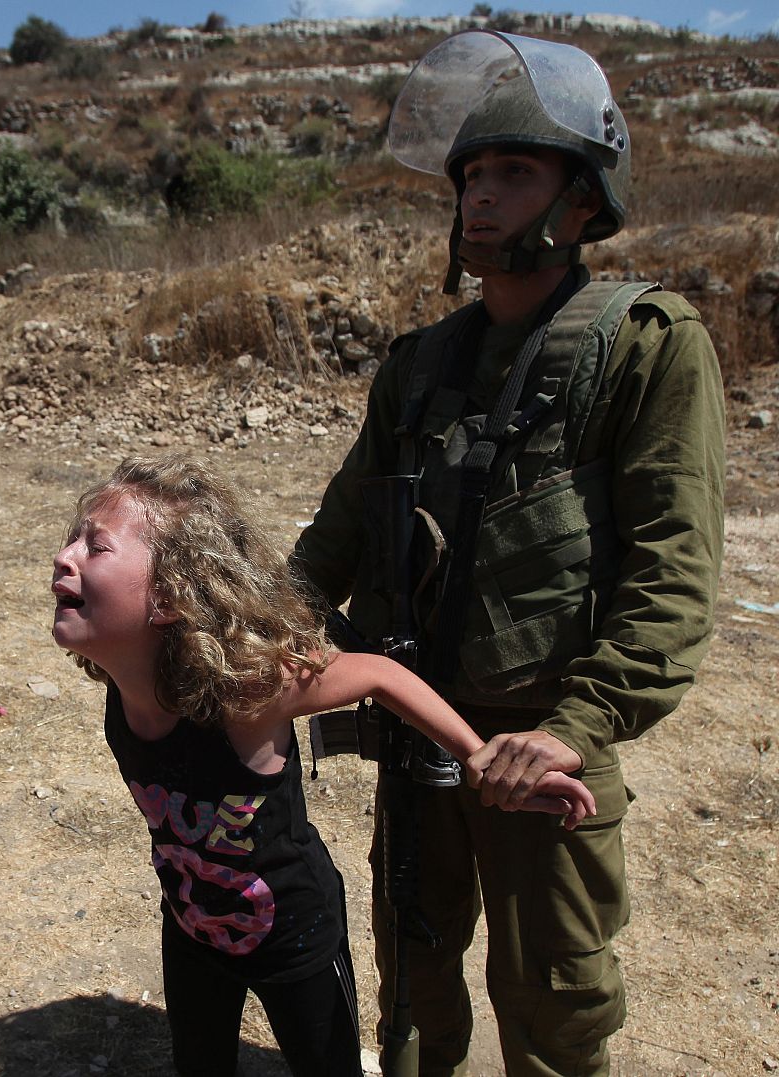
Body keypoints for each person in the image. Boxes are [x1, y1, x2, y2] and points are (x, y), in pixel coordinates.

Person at [290, 31, 726, 1076]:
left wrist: (573, 731)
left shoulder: (645, 345)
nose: (480, 197)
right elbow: (334, 537)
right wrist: (246, 631)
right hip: (414, 730)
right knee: (412, 977)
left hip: (544, 741)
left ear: (583, 201)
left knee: (554, 1000)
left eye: (514, 173)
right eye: (471, 176)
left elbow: (672, 570)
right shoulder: (420, 365)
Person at [51, 455, 595, 1077]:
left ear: (170, 598)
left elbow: (380, 673)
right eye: (72, 539)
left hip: (294, 938)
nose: (65, 556)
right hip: (192, 928)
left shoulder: (246, 693)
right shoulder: (123, 680)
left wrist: (478, 758)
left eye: (95, 547)